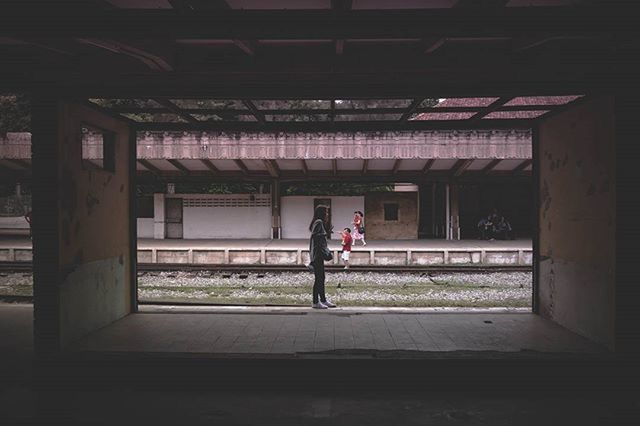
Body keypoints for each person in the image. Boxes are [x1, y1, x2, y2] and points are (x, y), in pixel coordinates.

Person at [308, 205, 337, 309]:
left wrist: (326, 232)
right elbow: (318, 240)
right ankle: (316, 302)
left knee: (321, 278)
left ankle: (323, 300)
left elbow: (318, 238)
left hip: (317, 255)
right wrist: (326, 253)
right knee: (319, 279)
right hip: (317, 256)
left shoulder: (318, 223)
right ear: (322, 213)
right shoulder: (319, 222)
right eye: (326, 212)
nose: (327, 215)